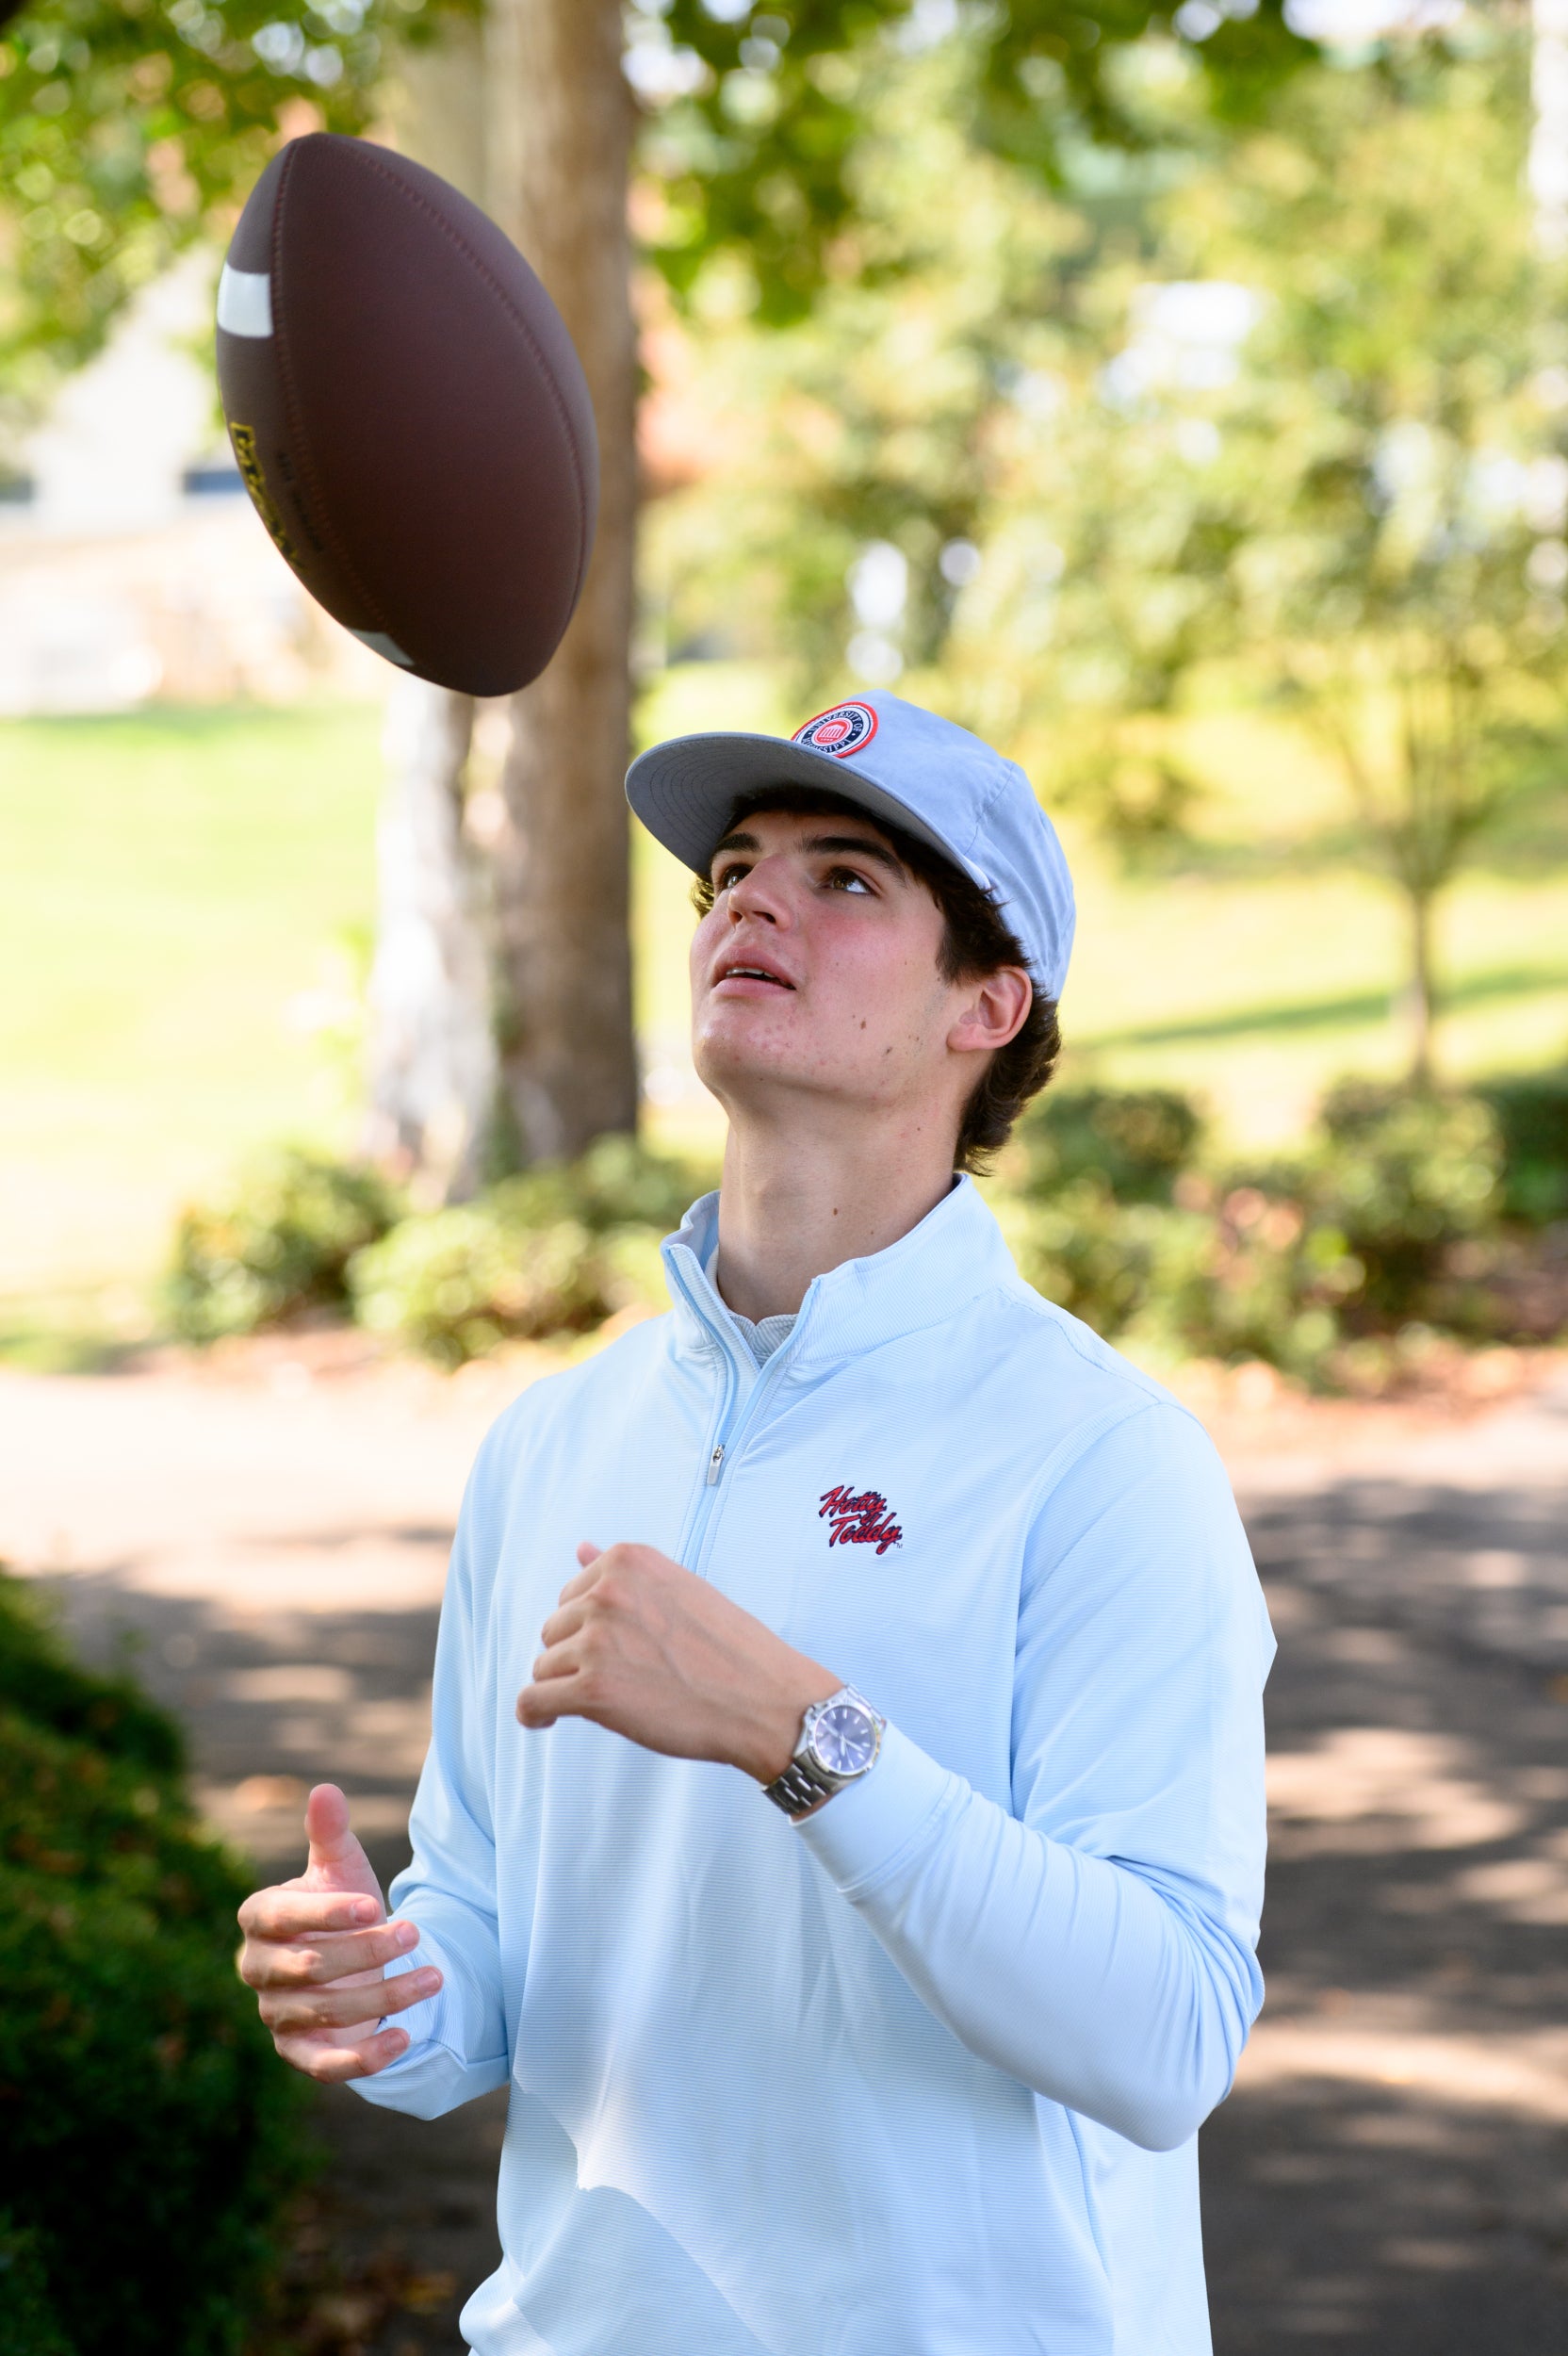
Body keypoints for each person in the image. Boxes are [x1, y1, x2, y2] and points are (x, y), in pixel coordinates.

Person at [237, 691, 1273, 2356]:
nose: (750, 904)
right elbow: (491, 1932)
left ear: (989, 1005)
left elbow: (1166, 2037)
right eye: (732, 869)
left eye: (848, 878)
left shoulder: (1101, 1459)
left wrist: (805, 1737)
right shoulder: (552, 1439)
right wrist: (387, 1989)